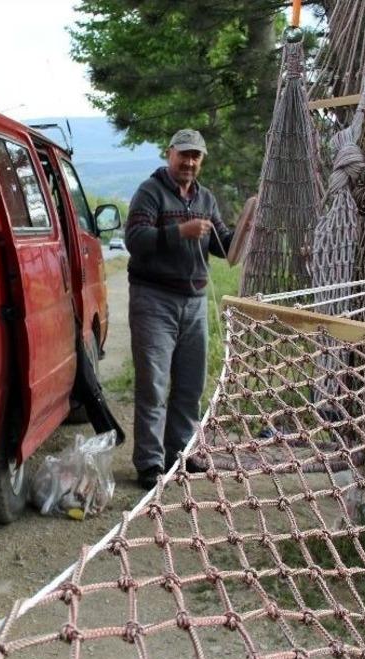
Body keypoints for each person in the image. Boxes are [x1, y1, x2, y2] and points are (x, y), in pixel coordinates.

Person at [125, 129, 233, 489]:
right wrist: (179, 232)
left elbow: (223, 245)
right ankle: (149, 463)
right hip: (153, 300)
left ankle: (179, 455)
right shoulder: (150, 192)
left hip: (195, 303)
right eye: (183, 154)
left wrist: (251, 229)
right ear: (169, 154)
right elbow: (135, 241)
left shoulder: (206, 199)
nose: (189, 162)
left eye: (195, 156)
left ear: (201, 160)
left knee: (190, 384)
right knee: (154, 385)